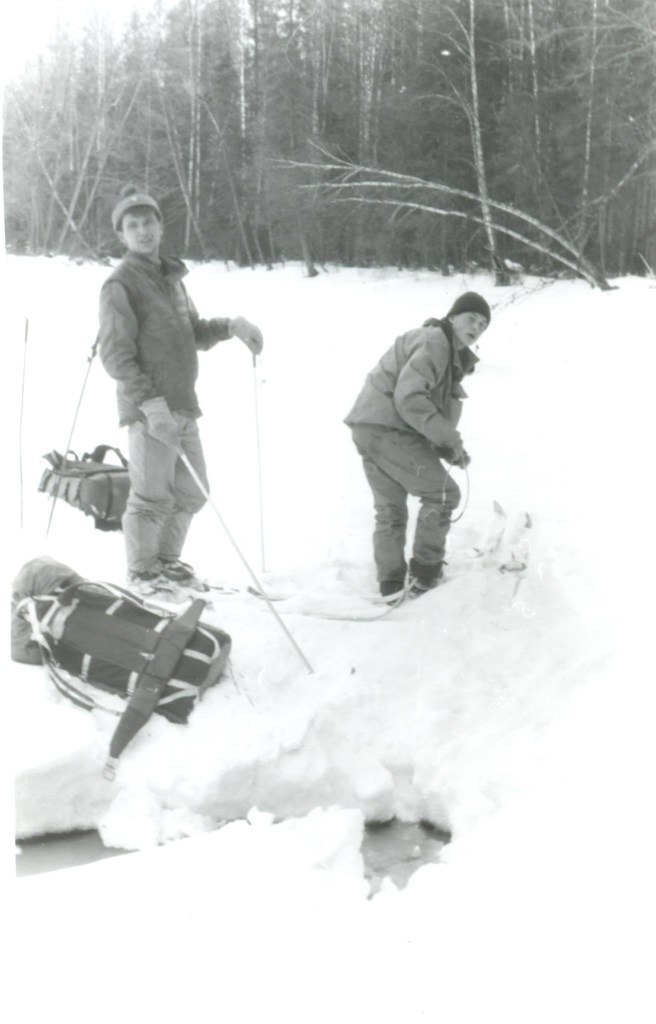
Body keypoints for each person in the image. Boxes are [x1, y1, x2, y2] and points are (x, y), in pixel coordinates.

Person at [99, 185, 263, 595]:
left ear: (160, 225)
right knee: (152, 497)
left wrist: (232, 326)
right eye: (132, 225)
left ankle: (165, 563)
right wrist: (151, 405)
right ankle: (141, 573)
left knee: (192, 491)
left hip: (183, 406)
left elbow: (193, 332)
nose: (143, 231)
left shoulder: (171, 279)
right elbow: (116, 356)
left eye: (149, 221)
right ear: (122, 236)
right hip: (150, 410)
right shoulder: (121, 284)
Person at [344, 291, 491, 599]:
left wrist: (447, 448)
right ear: (452, 316)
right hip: (389, 430)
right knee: (444, 494)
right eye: (470, 318)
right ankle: (425, 572)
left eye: (482, 323)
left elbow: (421, 408)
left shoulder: (442, 348)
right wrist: (450, 440)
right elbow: (409, 398)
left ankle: (391, 584)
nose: (476, 327)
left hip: (369, 427)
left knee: (390, 510)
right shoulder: (436, 342)